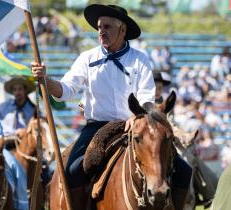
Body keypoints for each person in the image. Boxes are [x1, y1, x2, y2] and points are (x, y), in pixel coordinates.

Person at [32, 4, 192, 209]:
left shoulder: (140, 59)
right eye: (99, 27)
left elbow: (146, 98)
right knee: (72, 171)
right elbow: (66, 90)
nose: (101, 31)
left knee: (184, 171)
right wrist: (46, 79)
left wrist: (138, 117)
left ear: (122, 30)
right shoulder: (87, 58)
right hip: (96, 127)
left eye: (107, 26)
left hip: (134, 124)